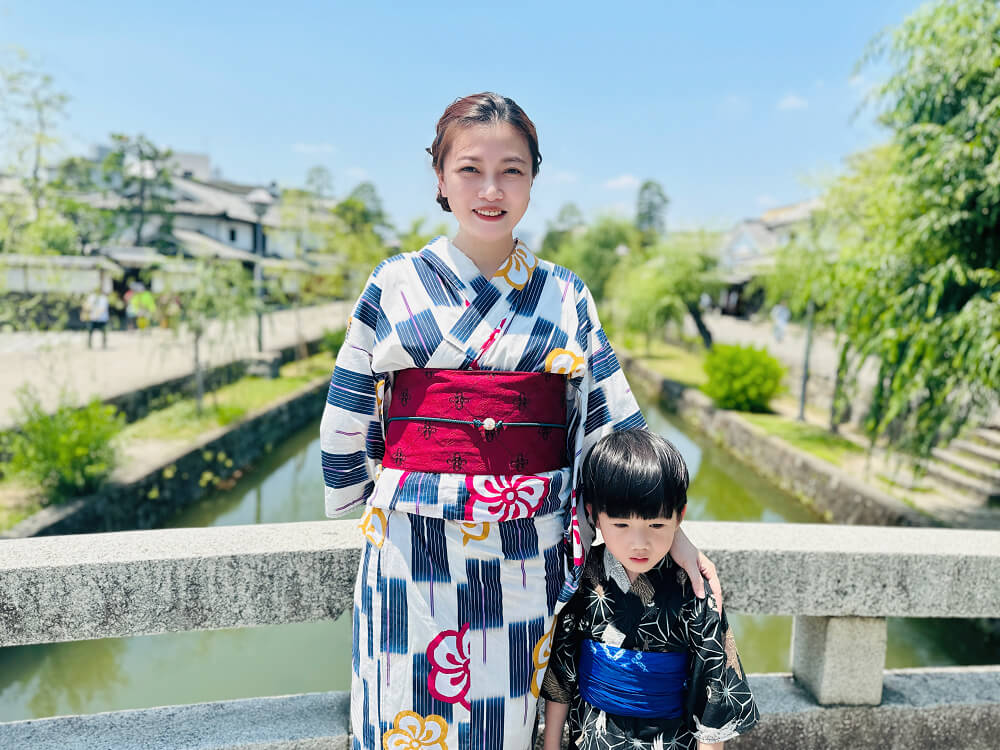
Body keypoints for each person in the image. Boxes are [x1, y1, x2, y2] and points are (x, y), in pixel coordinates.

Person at [320, 92, 722, 750]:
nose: (490, 188)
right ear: (441, 181)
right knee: (401, 708)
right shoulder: (394, 284)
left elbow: (608, 427)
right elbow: (350, 412)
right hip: (409, 545)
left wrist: (666, 527)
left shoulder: (565, 294)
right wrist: (369, 502)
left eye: (511, 170)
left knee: (504, 718)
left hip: (523, 548)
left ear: (533, 178)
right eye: (469, 169)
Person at [542, 430, 759, 750]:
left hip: (669, 739)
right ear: (594, 515)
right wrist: (551, 745)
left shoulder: (693, 588)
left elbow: (713, 688)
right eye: (621, 525)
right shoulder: (585, 576)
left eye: (656, 525)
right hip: (592, 735)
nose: (639, 543)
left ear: (679, 517)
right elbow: (562, 670)